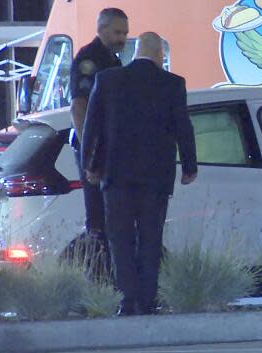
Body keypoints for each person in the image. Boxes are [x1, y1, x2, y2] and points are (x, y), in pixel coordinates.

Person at [82, 32, 199, 316]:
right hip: (155, 179)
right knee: (150, 238)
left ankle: (127, 300)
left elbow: (91, 126)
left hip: (116, 176)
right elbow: (184, 128)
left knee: (119, 239)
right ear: (161, 55)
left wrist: (90, 164)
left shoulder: (108, 81)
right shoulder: (173, 84)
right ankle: (147, 300)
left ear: (135, 52)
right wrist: (189, 167)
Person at [69, 8, 129, 242]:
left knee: (112, 215)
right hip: (96, 147)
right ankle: (99, 271)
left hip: (108, 146)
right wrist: (89, 155)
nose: (122, 38)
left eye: (125, 33)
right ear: (101, 29)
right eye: (117, 32)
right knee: (98, 217)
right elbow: (79, 107)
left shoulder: (112, 60)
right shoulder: (90, 59)